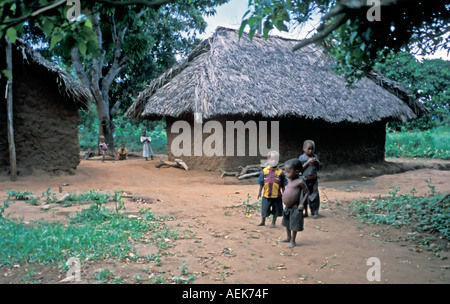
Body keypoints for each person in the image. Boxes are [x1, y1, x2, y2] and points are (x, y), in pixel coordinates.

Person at [281, 158, 309, 248]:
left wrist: (301, 204)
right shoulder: (289, 180)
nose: (286, 173)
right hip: (287, 207)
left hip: (295, 207)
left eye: (288, 172)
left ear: (296, 172)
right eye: (286, 171)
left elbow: (307, 192)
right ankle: (288, 237)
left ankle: (293, 241)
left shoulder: (299, 182)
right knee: (287, 223)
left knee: (294, 224)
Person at [257, 151, 288, 228]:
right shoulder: (264, 171)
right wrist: (259, 192)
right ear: (268, 160)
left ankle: (273, 222)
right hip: (266, 195)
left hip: (277, 196)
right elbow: (261, 183)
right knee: (264, 209)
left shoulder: (280, 172)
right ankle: (262, 221)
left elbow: (283, 185)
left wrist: (285, 194)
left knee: (276, 210)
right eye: (271, 159)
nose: (273, 161)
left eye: (275, 159)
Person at [299, 140, 320, 218]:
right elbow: (300, 169)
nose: (310, 150)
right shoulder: (302, 158)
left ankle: (315, 212)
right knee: (304, 196)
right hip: (305, 180)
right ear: (304, 149)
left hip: (314, 181)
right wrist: (307, 162)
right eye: (309, 149)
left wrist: (317, 162)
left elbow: (318, 168)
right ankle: (305, 212)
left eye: (312, 149)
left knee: (315, 196)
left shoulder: (315, 157)